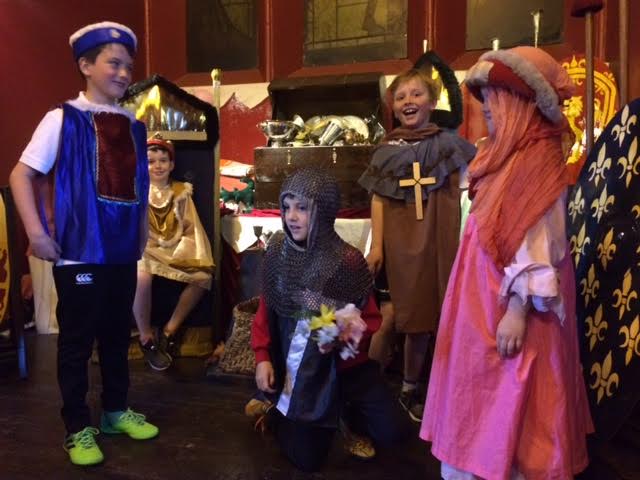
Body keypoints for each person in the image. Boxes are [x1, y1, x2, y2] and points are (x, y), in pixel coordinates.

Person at [420, 46, 593, 479]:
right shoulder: (501, 157)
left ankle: (504, 466)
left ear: (523, 105)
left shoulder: (536, 166)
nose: (487, 108)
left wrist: (517, 310)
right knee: (480, 387)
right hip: (482, 297)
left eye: (496, 98)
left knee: (511, 388)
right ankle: (476, 459)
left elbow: (540, 246)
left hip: (512, 305)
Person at [9, 21, 158, 466]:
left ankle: (114, 411)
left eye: (128, 66)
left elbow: (139, 187)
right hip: (79, 253)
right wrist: (37, 234)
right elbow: (21, 175)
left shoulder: (134, 127)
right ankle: (77, 427)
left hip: (121, 251)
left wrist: (142, 232)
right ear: (86, 65)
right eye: (114, 63)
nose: (124, 73)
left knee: (116, 336)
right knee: (76, 342)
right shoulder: (62, 119)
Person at [249, 167, 410, 472]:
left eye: (302, 208)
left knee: (393, 432)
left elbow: (369, 319)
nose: (291, 216)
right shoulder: (278, 253)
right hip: (300, 370)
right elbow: (265, 313)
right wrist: (262, 358)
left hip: (346, 368)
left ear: (323, 211)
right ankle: (276, 413)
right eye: (286, 207)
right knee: (307, 460)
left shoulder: (347, 260)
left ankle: (345, 415)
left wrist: (343, 336)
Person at [359, 68, 476, 422]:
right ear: (393, 107)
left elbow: (470, 190)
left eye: (416, 94)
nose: (408, 101)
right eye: (400, 97)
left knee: (438, 316)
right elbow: (379, 199)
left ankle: (429, 387)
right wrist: (377, 247)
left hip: (439, 243)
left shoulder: (448, 145)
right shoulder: (385, 152)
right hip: (399, 246)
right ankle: (386, 388)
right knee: (400, 318)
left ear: (433, 101)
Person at [132, 134, 214, 370]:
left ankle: (168, 332)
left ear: (171, 164)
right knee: (141, 275)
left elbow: (191, 227)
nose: (157, 166)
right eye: (151, 161)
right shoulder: (137, 189)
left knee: (202, 278)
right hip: (145, 249)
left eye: (163, 160)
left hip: (173, 249)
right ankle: (146, 337)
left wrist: (184, 252)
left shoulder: (180, 192)